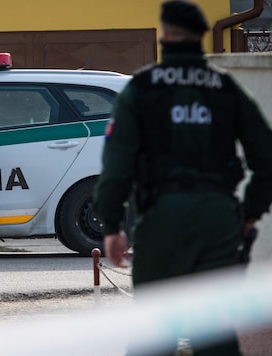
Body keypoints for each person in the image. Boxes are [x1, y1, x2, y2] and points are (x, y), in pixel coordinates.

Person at [94, 0, 272, 354]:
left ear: (164, 35)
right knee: (217, 336)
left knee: (153, 334)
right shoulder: (226, 88)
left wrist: (112, 226)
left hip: (161, 220)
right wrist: (248, 215)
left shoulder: (141, 88)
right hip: (218, 221)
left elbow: (116, 166)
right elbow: (266, 159)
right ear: (202, 37)